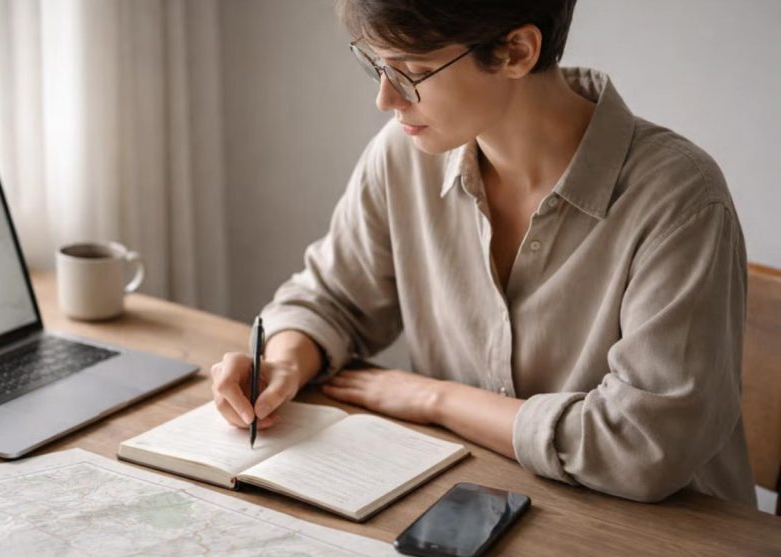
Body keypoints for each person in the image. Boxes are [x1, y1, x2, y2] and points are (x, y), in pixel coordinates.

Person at [210, 0, 755, 505]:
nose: (386, 98)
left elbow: (643, 446)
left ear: (516, 51)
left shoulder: (679, 199)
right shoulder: (403, 158)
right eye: (374, 64)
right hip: (473, 502)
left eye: (413, 72)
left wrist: (435, 400)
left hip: (667, 540)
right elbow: (331, 299)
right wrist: (282, 361)